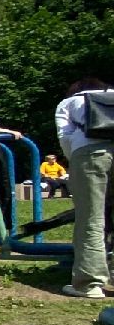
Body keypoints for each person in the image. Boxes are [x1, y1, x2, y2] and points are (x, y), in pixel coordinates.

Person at [54, 77, 114, 299]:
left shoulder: (69, 103)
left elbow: (66, 138)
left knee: (91, 218)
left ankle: (89, 284)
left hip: (89, 154)